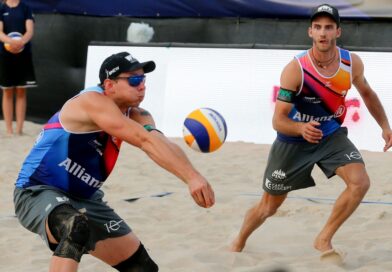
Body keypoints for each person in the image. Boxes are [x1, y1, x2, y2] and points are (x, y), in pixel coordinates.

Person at [14, 51, 215, 272]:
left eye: (144, 79)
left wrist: (193, 175)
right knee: (75, 227)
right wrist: (192, 178)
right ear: (109, 85)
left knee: (142, 268)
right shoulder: (91, 102)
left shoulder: (139, 115)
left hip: (86, 198)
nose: (142, 86)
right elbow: (143, 140)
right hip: (37, 190)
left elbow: (158, 143)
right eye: (134, 80)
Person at [230, 3, 392, 262]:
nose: (323, 33)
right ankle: (238, 242)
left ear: (338, 31)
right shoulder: (296, 69)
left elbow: (368, 94)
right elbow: (278, 120)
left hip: (330, 135)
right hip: (292, 141)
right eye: (318, 27)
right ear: (310, 32)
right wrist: (300, 128)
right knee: (269, 206)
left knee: (360, 182)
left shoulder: (351, 63)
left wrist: (385, 126)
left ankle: (323, 238)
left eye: (328, 27)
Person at [0, 0, 36, 135]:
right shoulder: (2, 8)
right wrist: (11, 42)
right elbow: (0, 32)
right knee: (7, 91)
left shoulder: (26, 7)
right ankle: (9, 130)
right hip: (5, 55)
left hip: (23, 54)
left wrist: (20, 42)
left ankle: (19, 129)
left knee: (21, 91)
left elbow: (30, 31)